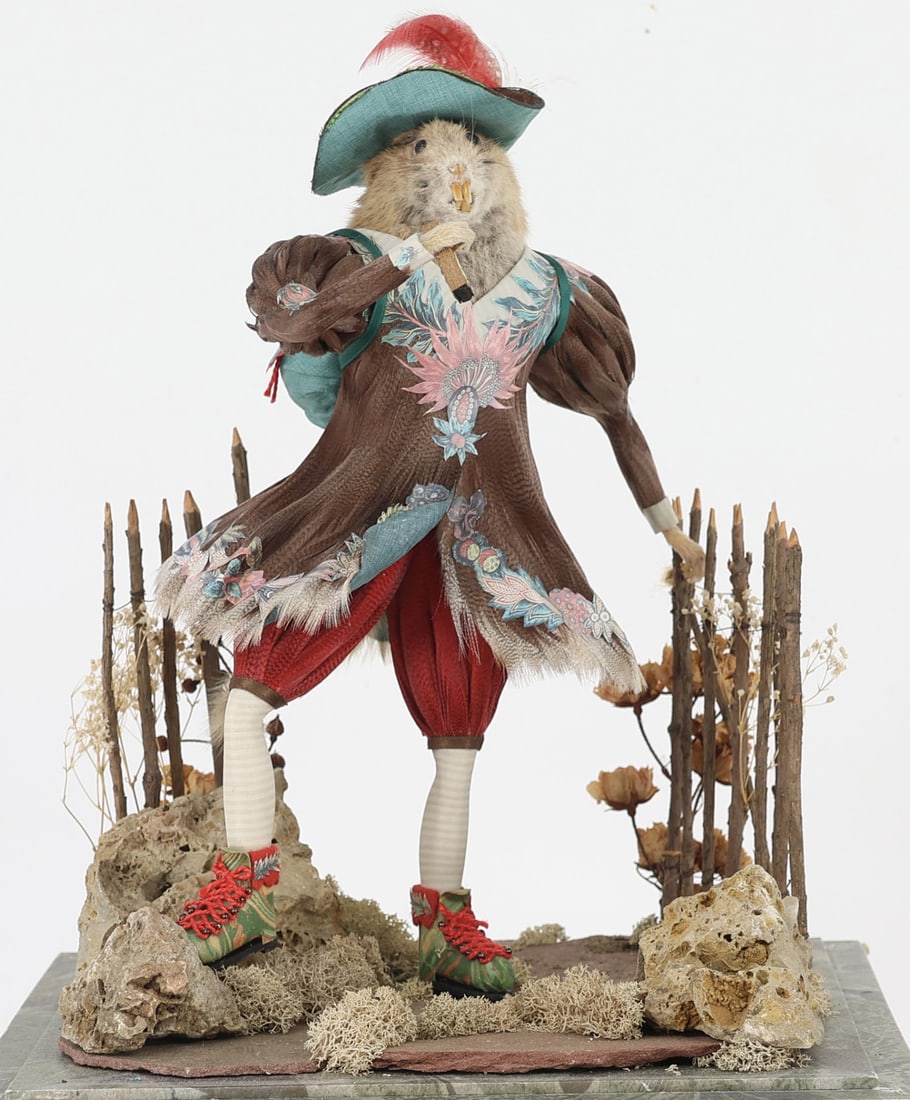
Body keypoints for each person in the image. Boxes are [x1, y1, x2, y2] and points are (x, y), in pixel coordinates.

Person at [157, 14, 703, 998]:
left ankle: (444, 920)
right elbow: (291, 321)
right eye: (423, 147)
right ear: (384, 164)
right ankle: (245, 886)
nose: (455, 172)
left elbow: (614, 411)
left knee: (460, 732)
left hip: (484, 530)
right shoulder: (348, 256)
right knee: (254, 689)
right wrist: (403, 260)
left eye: (476, 150)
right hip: (360, 508)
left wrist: (662, 519)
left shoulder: (548, 288)